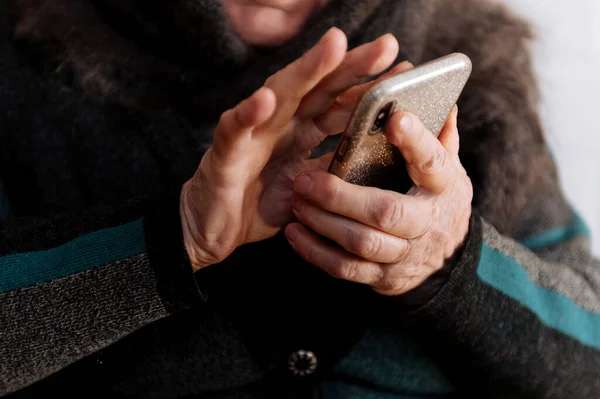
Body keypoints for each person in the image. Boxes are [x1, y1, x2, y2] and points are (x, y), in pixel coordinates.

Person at [1, 0, 599, 397]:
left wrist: (450, 266)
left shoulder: (468, 53)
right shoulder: (24, 62)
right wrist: (172, 238)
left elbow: (589, 349)